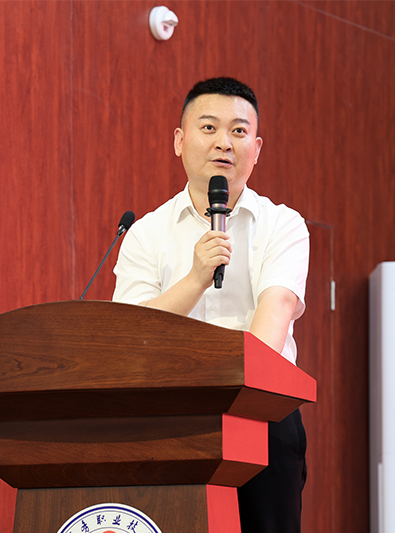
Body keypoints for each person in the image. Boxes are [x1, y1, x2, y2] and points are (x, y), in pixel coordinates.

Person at [112, 77, 309, 532]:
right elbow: (130, 334)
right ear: (179, 141)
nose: (224, 142)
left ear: (256, 149)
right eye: (208, 127)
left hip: (263, 418)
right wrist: (196, 279)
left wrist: (229, 397)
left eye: (239, 131)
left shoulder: (282, 225)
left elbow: (274, 318)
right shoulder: (146, 233)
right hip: (169, 418)